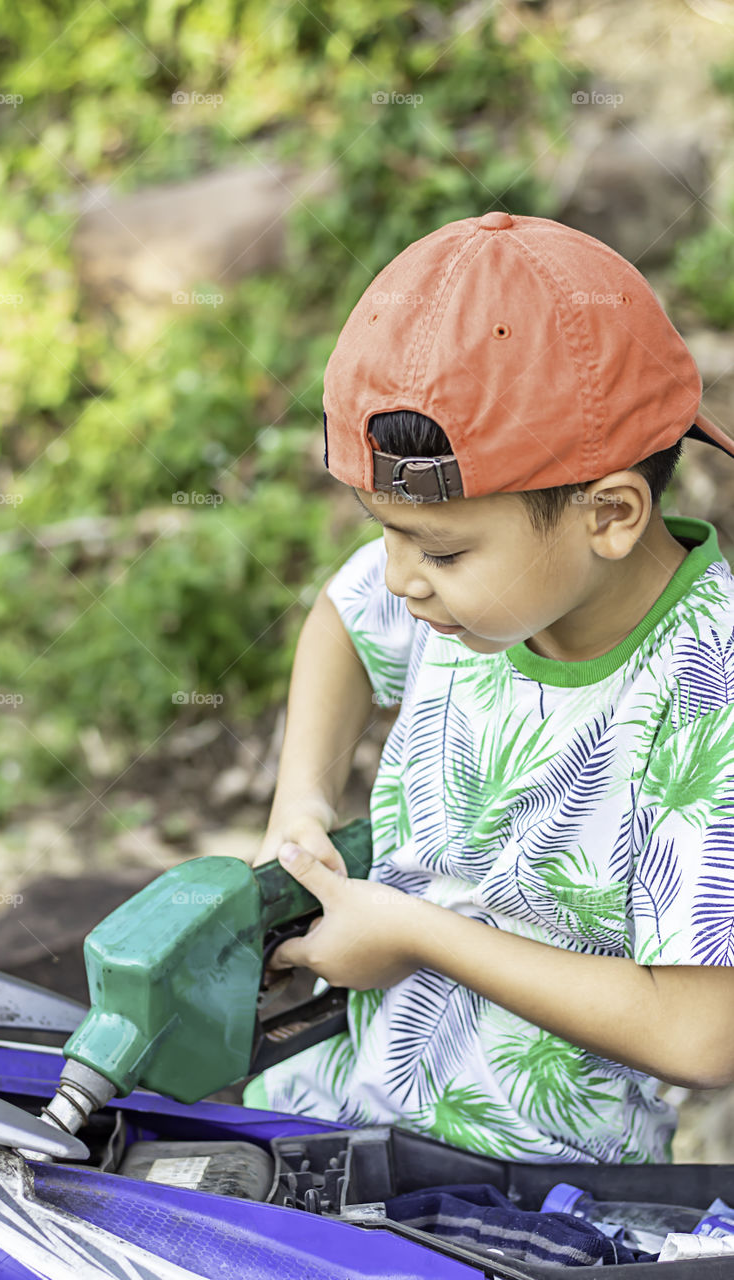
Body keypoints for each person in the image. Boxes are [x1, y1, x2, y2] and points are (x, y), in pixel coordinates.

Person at [241, 211, 734, 1164]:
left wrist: (418, 937)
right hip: (327, 1112)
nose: (396, 578)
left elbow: (704, 1033)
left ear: (613, 514)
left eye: (439, 547)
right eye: (382, 530)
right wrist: (300, 800)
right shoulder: (469, 599)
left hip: (523, 1198)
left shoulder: (703, 694)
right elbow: (340, 621)